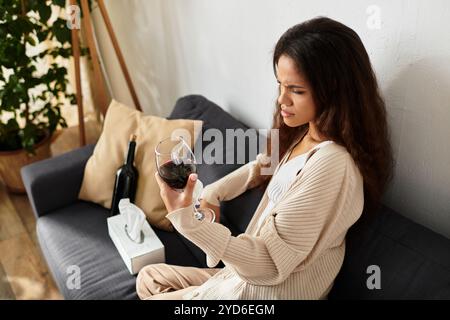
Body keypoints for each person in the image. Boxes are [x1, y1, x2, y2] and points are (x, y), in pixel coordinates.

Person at [136, 16, 394, 300]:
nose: (282, 100)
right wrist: (213, 192)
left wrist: (188, 221)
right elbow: (260, 167)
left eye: (296, 90)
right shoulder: (300, 133)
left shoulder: (333, 166)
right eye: (280, 85)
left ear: (335, 92)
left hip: (264, 293)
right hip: (238, 277)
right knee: (149, 277)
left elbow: (270, 263)